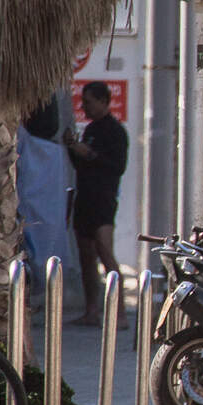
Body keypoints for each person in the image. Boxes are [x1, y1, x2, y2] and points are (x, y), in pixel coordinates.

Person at [66, 81, 129, 326]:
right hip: (85, 198)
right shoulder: (90, 129)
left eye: (89, 102)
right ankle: (91, 310)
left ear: (104, 101)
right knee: (86, 256)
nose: (85, 107)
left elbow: (117, 166)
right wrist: (73, 148)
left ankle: (120, 313)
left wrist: (89, 153)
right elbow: (80, 165)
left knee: (105, 251)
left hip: (104, 199)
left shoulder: (115, 131)